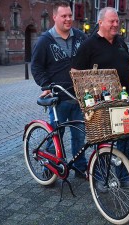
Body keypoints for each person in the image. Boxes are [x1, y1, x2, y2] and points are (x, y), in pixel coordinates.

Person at [72, 7, 129, 184]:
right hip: (100, 103)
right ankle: (101, 177)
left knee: (125, 140)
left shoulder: (121, 42)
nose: (116, 24)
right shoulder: (88, 45)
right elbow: (75, 72)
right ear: (101, 22)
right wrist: (85, 101)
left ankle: (122, 175)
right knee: (103, 141)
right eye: (112, 21)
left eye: (117, 21)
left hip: (122, 100)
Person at [31, 1, 88, 178]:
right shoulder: (44, 41)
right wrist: (46, 85)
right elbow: (36, 67)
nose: (68, 19)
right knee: (55, 135)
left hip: (79, 97)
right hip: (58, 99)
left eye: (70, 15)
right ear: (54, 17)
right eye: (64, 16)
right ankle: (50, 166)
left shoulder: (80, 37)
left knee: (79, 135)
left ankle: (80, 167)